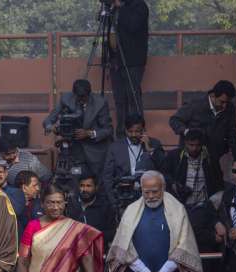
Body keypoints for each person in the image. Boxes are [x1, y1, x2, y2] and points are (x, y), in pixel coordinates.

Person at [169, 80, 236, 177]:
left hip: (212, 160)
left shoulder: (230, 109)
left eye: (227, 102)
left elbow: (232, 135)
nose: (224, 106)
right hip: (190, 159)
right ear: (213, 96)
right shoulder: (195, 105)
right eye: (222, 102)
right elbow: (174, 120)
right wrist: (187, 132)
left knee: (216, 188)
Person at [43, 79, 114, 176]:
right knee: (73, 178)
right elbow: (48, 120)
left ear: (89, 94)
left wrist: (89, 133)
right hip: (73, 149)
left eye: (83, 97)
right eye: (78, 97)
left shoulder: (100, 103)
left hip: (94, 150)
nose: (81, 100)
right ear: (74, 94)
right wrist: (52, 127)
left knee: (97, 182)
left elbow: (108, 130)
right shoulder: (66, 99)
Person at [103, 113, 164, 206]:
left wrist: (149, 150)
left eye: (138, 131)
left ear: (144, 130)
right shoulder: (115, 147)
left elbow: (163, 168)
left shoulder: (155, 143)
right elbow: (108, 177)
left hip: (149, 195)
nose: (134, 134)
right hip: (123, 196)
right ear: (125, 130)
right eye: (130, 131)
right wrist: (114, 202)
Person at [109, 0, 149, 136]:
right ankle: (121, 134)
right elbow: (107, 26)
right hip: (116, 60)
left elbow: (133, 26)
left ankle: (137, 133)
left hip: (133, 60)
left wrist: (121, 7)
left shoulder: (139, 5)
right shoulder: (115, 7)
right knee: (119, 100)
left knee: (132, 97)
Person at [162, 129, 224, 207]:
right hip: (180, 204)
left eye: (198, 145)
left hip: (203, 206)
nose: (194, 148)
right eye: (191, 145)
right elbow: (164, 175)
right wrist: (173, 184)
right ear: (185, 143)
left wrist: (213, 203)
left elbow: (219, 182)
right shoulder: (174, 156)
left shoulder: (210, 158)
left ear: (202, 145)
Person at [66, 174, 117, 245]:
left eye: (88, 186)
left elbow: (112, 232)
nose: (84, 189)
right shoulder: (72, 205)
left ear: (96, 187)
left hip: (97, 249)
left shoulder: (105, 207)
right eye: (82, 186)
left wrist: (93, 237)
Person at [15, 170, 42, 240]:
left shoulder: (41, 204)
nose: (38, 188)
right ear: (24, 188)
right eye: (34, 185)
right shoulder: (12, 206)